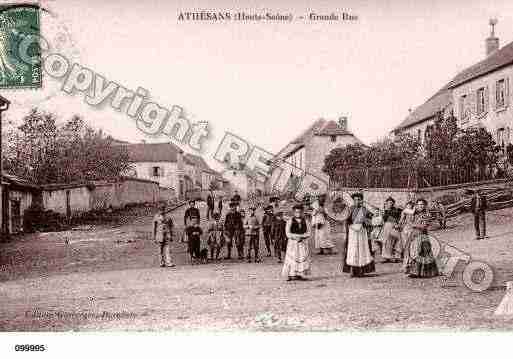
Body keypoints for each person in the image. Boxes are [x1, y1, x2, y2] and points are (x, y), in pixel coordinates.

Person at [343, 192, 375, 278]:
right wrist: (349, 226)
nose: (357, 201)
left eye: (359, 199)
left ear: (361, 200)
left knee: (362, 250)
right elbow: (346, 220)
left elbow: (370, 219)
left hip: (362, 232)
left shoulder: (365, 210)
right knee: (353, 250)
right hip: (353, 233)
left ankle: (362, 270)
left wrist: (366, 221)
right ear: (353, 200)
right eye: (355, 200)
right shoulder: (350, 209)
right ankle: (352, 270)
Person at [405, 198, 439, 278]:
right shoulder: (412, 213)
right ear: (416, 205)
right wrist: (414, 225)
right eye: (419, 204)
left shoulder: (427, 214)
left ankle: (426, 272)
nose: (420, 206)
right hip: (414, 234)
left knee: (425, 250)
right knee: (413, 251)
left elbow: (425, 225)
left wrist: (417, 225)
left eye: (422, 204)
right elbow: (409, 222)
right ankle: (414, 272)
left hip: (422, 234)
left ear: (425, 206)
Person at [282, 204, 312, 281]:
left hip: (303, 242)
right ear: (294, 212)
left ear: (302, 212)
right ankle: (292, 274)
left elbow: (309, 232)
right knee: (293, 257)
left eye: (300, 212)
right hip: (293, 243)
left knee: (301, 256)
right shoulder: (290, 221)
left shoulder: (306, 221)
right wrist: (295, 237)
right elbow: (287, 233)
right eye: (296, 212)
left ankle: (300, 273)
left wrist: (302, 236)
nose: (298, 213)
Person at [380, 197, 402, 263]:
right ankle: (386, 257)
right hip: (387, 226)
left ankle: (394, 256)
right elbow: (383, 219)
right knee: (386, 241)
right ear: (386, 203)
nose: (391, 204)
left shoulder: (397, 210)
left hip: (394, 226)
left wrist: (397, 224)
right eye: (389, 202)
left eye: (392, 203)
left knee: (395, 240)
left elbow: (400, 217)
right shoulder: (384, 210)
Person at [399, 201, 415, 272]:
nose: (409, 206)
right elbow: (401, 220)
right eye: (408, 205)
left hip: (413, 230)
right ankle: (405, 264)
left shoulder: (413, 211)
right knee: (406, 247)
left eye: (411, 205)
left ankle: (411, 264)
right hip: (406, 230)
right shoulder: (405, 211)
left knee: (412, 247)